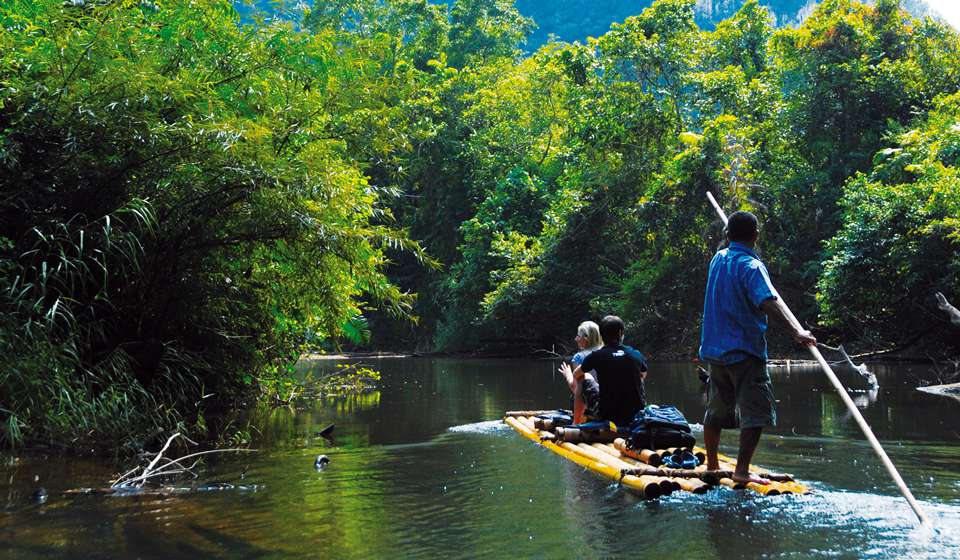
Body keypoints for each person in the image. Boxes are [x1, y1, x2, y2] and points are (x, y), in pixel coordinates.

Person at [699, 210, 816, 485]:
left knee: (715, 410)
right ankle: (741, 470)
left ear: (727, 235)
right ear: (755, 236)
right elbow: (767, 301)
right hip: (744, 352)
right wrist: (797, 331)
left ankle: (713, 465)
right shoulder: (751, 267)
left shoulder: (718, 260)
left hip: (715, 352)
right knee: (755, 412)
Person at [559, 315, 647, 428]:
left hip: (607, 415)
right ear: (621, 333)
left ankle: (576, 423)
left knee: (584, 377)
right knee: (638, 376)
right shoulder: (635, 354)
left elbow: (576, 375)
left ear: (601, 334)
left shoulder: (596, 356)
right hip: (635, 415)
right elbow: (643, 376)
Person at [560, 321, 603, 424]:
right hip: (608, 405)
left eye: (578, 336)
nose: (576, 339)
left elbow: (576, 389)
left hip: (591, 410)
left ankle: (577, 422)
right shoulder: (606, 353)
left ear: (586, 338)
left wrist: (568, 375)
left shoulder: (579, 358)